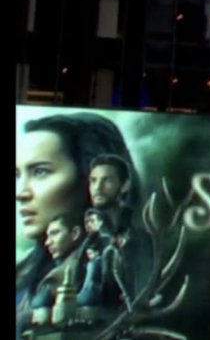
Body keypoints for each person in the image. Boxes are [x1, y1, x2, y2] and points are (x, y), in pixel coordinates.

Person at [17, 113, 139, 335]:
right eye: (17, 174)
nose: (20, 193)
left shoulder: (126, 259)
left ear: (86, 176)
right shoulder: (24, 274)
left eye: (40, 171)